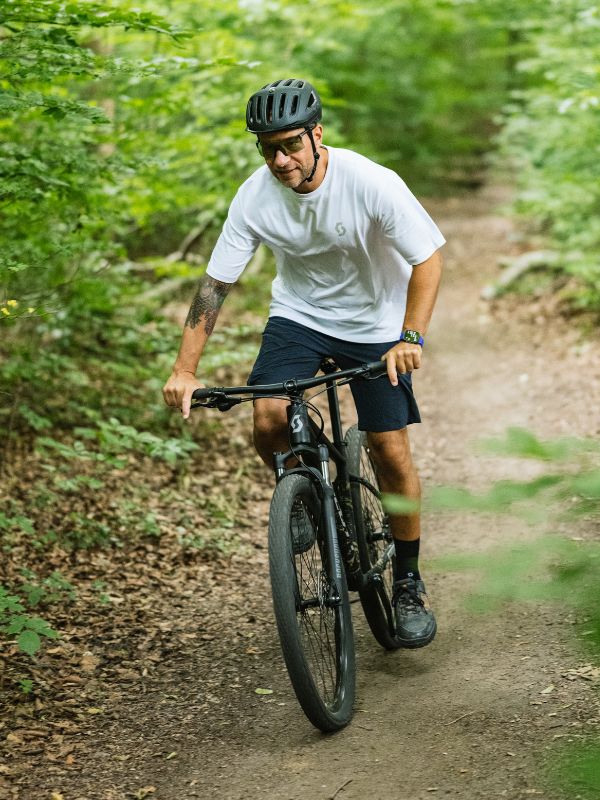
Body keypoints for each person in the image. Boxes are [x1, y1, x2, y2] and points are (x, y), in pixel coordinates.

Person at [162, 78, 445, 648]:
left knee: (389, 449)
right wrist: (184, 369)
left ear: (317, 135)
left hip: (376, 324)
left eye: (291, 144)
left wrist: (410, 336)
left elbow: (428, 260)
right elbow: (215, 286)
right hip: (300, 316)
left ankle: (408, 582)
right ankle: (307, 493)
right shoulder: (254, 197)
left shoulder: (370, 182)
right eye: (269, 149)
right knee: (268, 418)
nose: (281, 160)